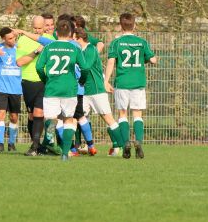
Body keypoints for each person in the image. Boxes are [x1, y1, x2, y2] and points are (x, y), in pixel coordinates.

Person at [105, 13, 157, 159]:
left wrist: (106, 81)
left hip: (122, 83)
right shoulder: (142, 42)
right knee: (137, 114)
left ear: (121, 26)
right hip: (138, 83)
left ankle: (126, 142)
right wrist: (145, 59)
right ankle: (138, 141)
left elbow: (111, 62)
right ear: (134, 25)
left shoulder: (116, 43)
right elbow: (153, 60)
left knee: (122, 114)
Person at [36, 20, 89, 161]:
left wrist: (45, 79)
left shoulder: (49, 47)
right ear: (71, 33)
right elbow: (85, 68)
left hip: (52, 88)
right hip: (69, 89)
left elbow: (39, 67)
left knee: (51, 119)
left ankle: (50, 130)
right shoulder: (75, 48)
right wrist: (82, 80)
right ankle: (65, 153)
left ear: (56, 33)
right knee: (68, 120)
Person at [74, 27, 125, 156]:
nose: (72, 41)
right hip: (84, 91)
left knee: (107, 118)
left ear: (79, 38)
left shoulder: (90, 49)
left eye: (74, 38)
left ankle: (123, 146)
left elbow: (85, 66)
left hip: (96, 89)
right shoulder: (79, 50)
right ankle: (78, 148)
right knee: (79, 116)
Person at [15, 16, 54, 156]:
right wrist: (37, 51)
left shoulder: (51, 40)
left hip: (44, 82)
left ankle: (36, 146)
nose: (37, 31)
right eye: (35, 28)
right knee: (31, 115)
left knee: (39, 113)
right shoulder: (23, 39)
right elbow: (20, 62)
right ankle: (36, 145)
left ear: (45, 27)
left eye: (40, 28)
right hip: (28, 82)